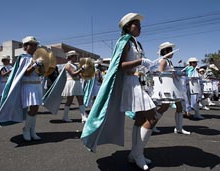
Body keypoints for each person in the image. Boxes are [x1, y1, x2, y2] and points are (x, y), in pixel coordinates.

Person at [81, 13, 159, 170]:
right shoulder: (124, 41)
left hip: (138, 82)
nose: (140, 27)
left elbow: (136, 65)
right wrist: (140, 61)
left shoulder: (136, 43)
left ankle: (135, 154)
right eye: (136, 24)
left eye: (139, 25)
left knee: (140, 119)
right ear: (128, 27)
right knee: (152, 117)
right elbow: (120, 65)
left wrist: (148, 67)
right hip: (130, 84)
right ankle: (138, 154)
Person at [0, 36, 43, 141]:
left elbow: (40, 74)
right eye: (32, 44)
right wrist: (35, 64)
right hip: (28, 85)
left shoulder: (35, 57)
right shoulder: (23, 58)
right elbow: (25, 73)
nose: (35, 46)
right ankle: (26, 129)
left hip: (36, 85)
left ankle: (32, 131)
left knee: (35, 109)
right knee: (33, 108)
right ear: (26, 46)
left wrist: (41, 67)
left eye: (36, 45)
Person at [153, 42, 190, 135]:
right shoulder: (163, 61)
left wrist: (175, 73)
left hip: (174, 87)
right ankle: (151, 124)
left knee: (179, 106)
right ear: (166, 51)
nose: (172, 53)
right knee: (164, 107)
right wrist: (172, 73)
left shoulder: (168, 61)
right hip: (167, 87)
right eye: (171, 51)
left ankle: (179, 128)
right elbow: (159, 72)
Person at [61, 50, 88, 123]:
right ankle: (65, 116)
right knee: (69, 100)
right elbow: (73, 74)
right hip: (71, 82)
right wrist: (81, 69)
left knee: (80, 99)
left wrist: (83, 72)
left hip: (77, 82)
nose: (76, 57)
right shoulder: (67, 65)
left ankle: (83, 116)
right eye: (74, 56)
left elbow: (78, 75)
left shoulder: (75, 65)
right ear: (70, 57)